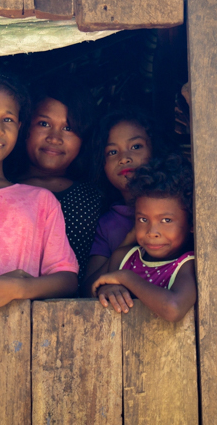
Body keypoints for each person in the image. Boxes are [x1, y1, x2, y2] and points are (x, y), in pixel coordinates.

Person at [0, 73, 79, 314]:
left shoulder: (41, 200)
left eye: (8, 119)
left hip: (25, 334)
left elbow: (67, 279)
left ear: (20, 127)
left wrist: (17, 289)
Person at [13, 80, 103, 288]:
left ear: (84, 138)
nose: (54, 138)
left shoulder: (96, 197)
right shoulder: (1, 188)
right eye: (44, 124)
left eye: (68, 128)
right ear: (25, 128)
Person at [91, 154, 196, 322]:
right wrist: (107, 289)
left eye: (166, 220)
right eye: (143, 219)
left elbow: (173, 309)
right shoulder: (124, 257)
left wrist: (126, 278)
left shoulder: (187, 265)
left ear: (191, 223)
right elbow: (86, 290)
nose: (152, 231)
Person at [81, 109, 166, 295]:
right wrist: (126, 244)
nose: (124, 158)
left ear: (155, 150)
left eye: (136, 147)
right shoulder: (107, 224)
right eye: (112, 152)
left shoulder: (178, 208)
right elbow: (87, 289)